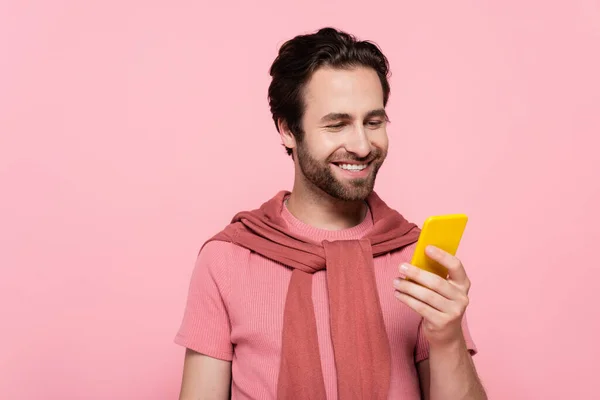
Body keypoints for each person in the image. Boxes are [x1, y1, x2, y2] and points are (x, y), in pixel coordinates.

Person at [175, 27, 487, 400]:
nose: (360, 145)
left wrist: (448, 337)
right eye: (337, 124)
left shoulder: (416, 257)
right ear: (289, 130)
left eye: (373, 122)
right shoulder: (226, 259)